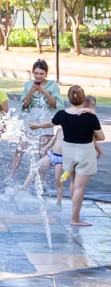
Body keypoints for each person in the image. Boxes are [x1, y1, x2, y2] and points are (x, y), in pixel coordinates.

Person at [30, 85, 104, 226]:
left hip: (68, 152)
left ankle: (74, 213)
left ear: (69, 99)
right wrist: (90, 112)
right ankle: (75, 219)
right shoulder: (90, 117)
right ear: (83, 98)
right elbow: (100, 137)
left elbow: (48, 124)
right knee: (79, 187)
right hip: (85, 153)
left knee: (73, 183)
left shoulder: (62, 114)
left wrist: (36, 126)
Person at [8, 59, 62, 180]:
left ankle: (41, 179)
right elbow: (26, 105)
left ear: (46, 74)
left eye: (41, 74)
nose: (38, 76)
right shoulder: (28, 85)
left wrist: (45, 92)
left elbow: (55, 104)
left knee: (42, 152)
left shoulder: (52, 86)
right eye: (36, 73)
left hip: (45, 119)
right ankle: (11, 175)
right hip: (32, 117)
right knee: (20, 148)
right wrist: (30, 92)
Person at [19, 126, 66, 205]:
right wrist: (45, 147)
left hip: (62, 159)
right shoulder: (60, 130)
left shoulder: (74, 133)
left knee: (58, 181)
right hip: (52, 155)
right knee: (36, 167)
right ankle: (25, 186)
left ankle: (58, 203)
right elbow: (53, 140)